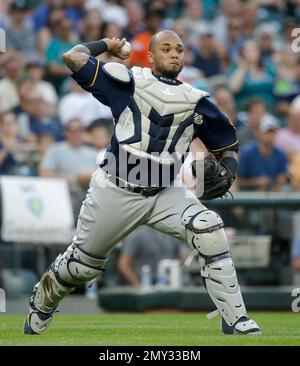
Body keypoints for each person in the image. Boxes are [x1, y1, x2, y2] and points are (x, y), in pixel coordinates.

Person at [24, 30, 260, 335]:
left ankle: (236, 319)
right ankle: (43, 298)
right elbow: (73, 57)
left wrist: (229, 170)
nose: (174, 53)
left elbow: (229, 144)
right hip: (115, 188)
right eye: (166, 48)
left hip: (165, 190)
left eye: (179, 49)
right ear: (150, 55)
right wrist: (107, 45)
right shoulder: (127, 82)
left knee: (208, 227)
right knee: (81, 267)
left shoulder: (196, 100)